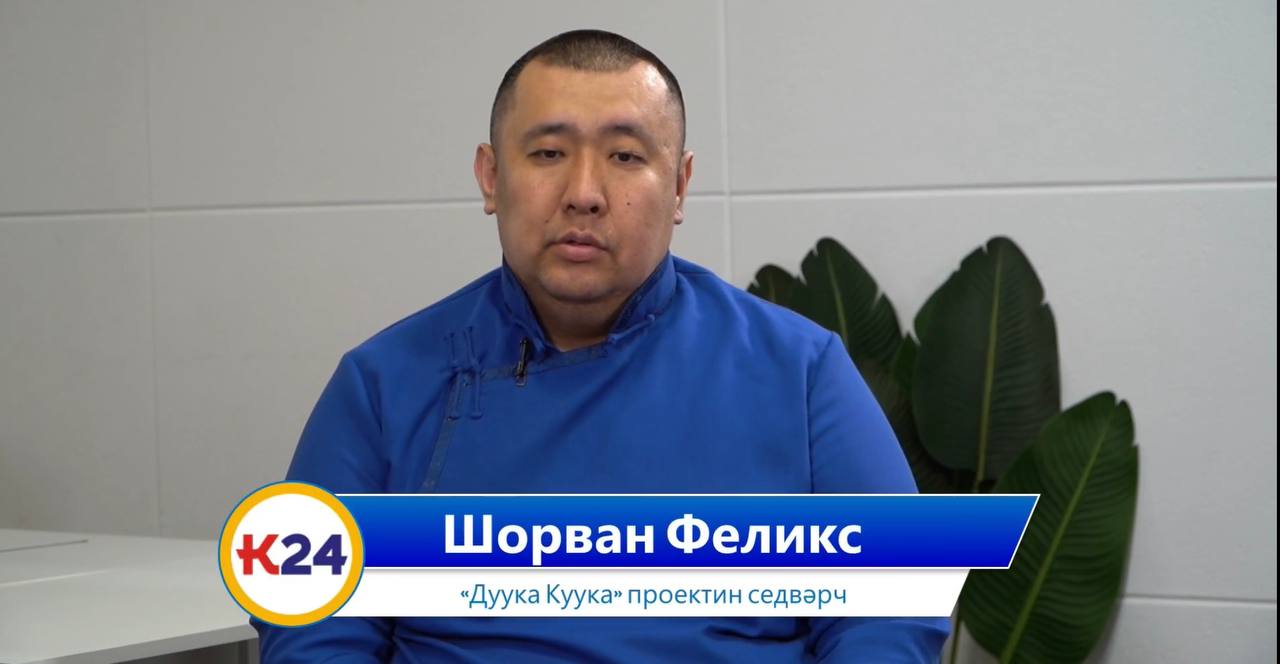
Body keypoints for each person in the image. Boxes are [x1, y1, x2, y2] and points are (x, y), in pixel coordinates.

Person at [253, 29, 949, 662]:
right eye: (548, 153)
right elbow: (313, 625)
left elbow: (889, 612)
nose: (584, 193)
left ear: (679, 186)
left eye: (624, 156)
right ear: (492, 177)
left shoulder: (799, 371)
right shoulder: (383, 384)